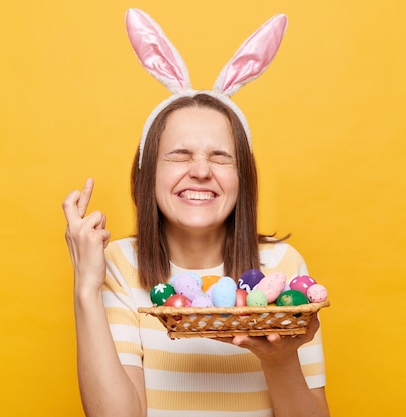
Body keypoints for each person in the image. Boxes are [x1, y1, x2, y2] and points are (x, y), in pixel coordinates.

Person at [62, 9, 330, 417]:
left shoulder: (281, 266)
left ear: (244, 178)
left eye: (220, 157)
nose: (201, 171)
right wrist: (85, 286)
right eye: (180, 155)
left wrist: (280, 360)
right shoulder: (120, 264)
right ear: (147, 173)